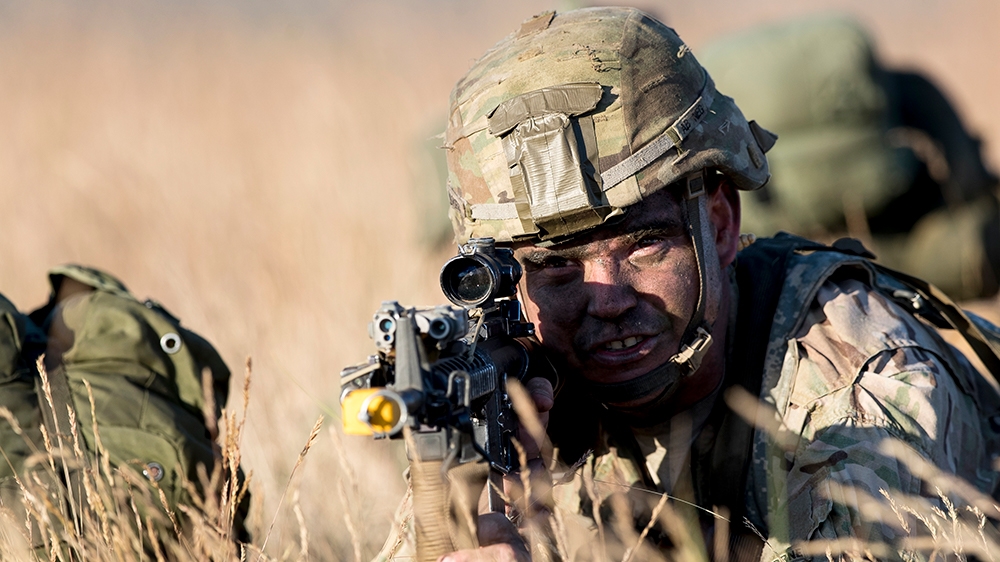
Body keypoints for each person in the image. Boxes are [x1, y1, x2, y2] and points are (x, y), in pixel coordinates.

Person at [377, 7, 1000, 561]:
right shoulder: (517, 398)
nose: (607, 299)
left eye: (645, 244)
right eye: (555, 267)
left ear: (721, 224)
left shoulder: (862, 391)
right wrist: (469, 499)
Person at [697, 15, 1000, 302]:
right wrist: (972, 187)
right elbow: (923, 98)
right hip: (895, 210)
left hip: (771, 236)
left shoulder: (750, 262)